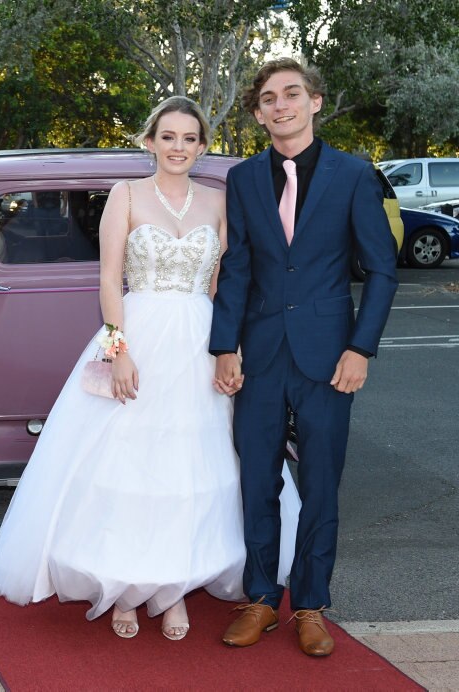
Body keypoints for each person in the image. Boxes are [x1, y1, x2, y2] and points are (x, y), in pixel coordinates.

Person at [0, 96, 300, 641]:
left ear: (201, 147)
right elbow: (109, 280)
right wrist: (119, 350)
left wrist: (233, 348)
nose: (179, 147)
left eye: (190, 139)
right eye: (168, 136)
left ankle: (172, 590)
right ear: (149, 141)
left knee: (190, 471)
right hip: (140, 337)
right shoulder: (124, 195)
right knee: (128, 469)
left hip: (202, 342)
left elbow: (227, 282)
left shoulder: (219, 200)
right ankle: (125, 589)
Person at [210, 58, 398, 657]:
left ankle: (311, 606)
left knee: (320, 485)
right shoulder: (241, 180)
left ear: (315, 102)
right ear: (259, 111)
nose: (280, 105)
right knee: (256, 482)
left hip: (329, 358)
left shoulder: (353, 175)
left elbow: (382, 269)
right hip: (260, 356)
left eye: (291, 94)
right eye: (268, 98)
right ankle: (261, 599)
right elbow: (236, 268)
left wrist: (360, 347)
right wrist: (223, 346)